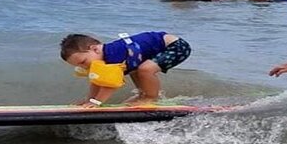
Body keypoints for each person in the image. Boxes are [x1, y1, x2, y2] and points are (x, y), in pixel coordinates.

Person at [60, 32, 191, 106]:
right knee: (135, 69)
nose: (84, 67)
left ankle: (151, 97)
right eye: (79, 66)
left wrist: (96, 102)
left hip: (176, 46)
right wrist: (89, 99)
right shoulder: (100, 58)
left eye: (83, 62)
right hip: (153, 50)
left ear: (95, 48)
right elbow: (98, 81)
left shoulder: (112, 55)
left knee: (145, 70)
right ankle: (143, 94)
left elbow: (110, 85)